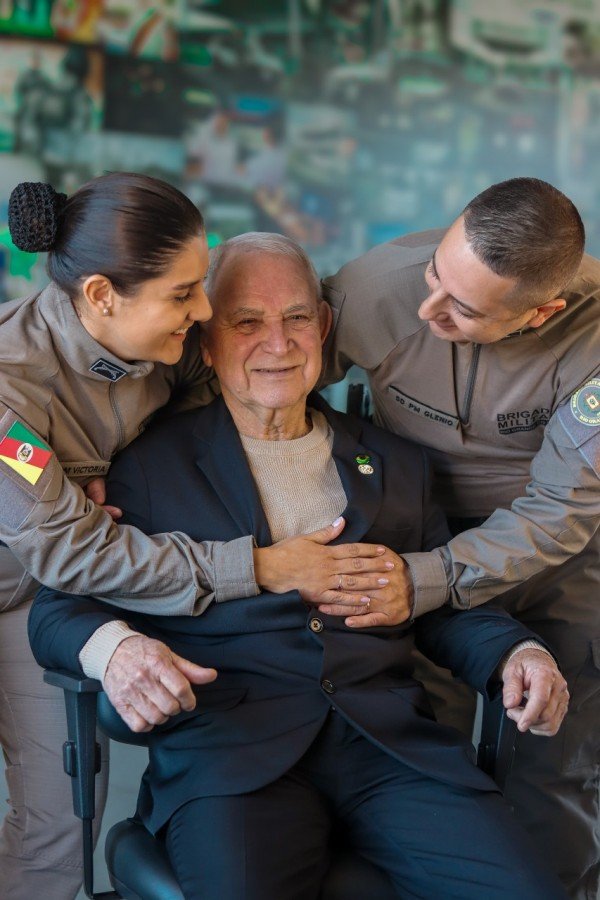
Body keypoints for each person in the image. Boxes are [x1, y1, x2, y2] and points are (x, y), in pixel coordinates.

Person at [30, 233, 569, 900]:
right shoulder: (147, 467)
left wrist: (516, 652)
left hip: (392, 751)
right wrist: (118, 651)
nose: (278, 343)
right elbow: (60, 609)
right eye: (247, 322)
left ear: (325, 326)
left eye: (296, 318)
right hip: (234, 757)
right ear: (206, 342)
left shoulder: (396, 462)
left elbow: (441, 602)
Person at [0, 176, 404, 899]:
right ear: (101, 295)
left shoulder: (170, 344)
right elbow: (75, 549)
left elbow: (236, 377)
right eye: (184, 293)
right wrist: (258, 566)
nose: (204, 310)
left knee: (57, 827)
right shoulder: (8, 394)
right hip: (42, 569)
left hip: (46, 594)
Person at [320, 177, 599, 899]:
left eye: (462, 309)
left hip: (557, 550)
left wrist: (428, 579)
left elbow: (562, 510)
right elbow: (260, 376)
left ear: (542, 312)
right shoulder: (374, 287)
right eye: (436, 274)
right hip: (412, 525)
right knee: (411, 748)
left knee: (555, 759)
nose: (427, 309)